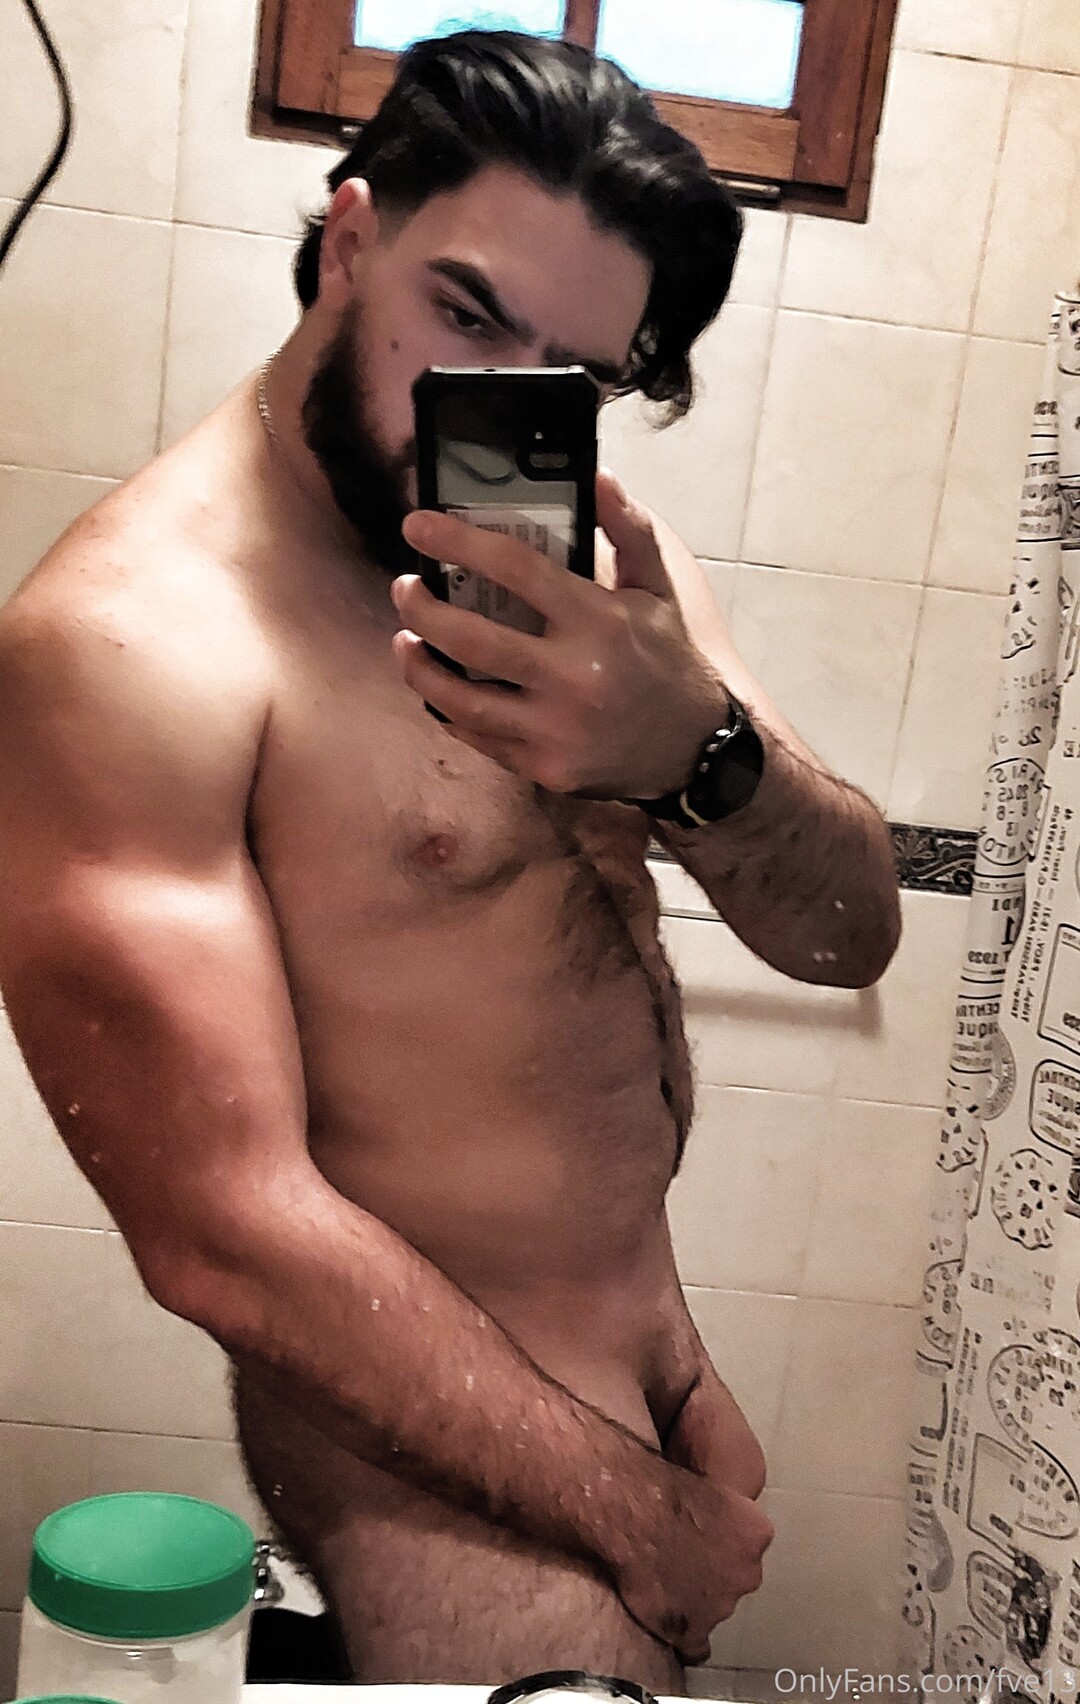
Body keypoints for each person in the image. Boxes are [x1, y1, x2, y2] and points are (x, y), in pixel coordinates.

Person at [0, 29, 902, 1694]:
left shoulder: (604, 581)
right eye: (469, 317)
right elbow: (220, 1228)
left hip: (648, 1361)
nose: (497, 407)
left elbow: (849, 937)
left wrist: (696, 751)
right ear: (353, 240)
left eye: (573, 374)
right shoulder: (136, 641)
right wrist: (636, 1512)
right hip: (440, 1454)